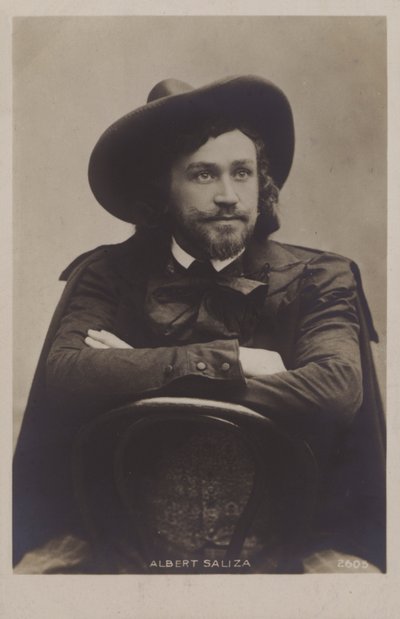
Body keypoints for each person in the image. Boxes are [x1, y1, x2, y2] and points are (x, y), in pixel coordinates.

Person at [13, 76, 385, 574]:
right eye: (204, 174)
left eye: (242, 173)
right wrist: (237, 363)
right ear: (163, 189)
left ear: (261, 184)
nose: (229, 196)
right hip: (125, 559)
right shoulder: (107, 273)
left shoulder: (320, 275)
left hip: (286, 557)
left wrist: (134, 371)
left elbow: (336, 389)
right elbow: (65, 373)